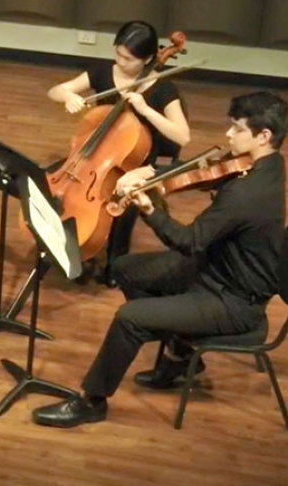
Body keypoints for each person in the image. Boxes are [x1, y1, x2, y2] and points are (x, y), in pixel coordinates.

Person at [32, 91, 287, 429]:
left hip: (233, 300)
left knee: (130, 317)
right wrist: (151, 172)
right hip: (215, 270)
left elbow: (189, 241)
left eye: (237, 129)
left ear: (264, 136)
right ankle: (180, 351)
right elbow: (206, 168)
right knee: (125, 269)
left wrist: (150, 209)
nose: (228, 134)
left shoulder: (248, 193)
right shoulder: (267, 166)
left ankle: (92, 401)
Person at [47, 21, 191, 282]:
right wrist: (68, 96)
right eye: (118, 54)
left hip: (138, 164)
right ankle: (67, 247)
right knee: (52, 185)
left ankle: (115, 262)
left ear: (148, 58)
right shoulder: (103, 73)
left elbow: (182, 135)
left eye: (128, 58)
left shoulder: (163, 90)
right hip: (94, 155)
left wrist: (146, 110)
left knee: (123, 202)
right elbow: (55, 91)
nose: (120, 62)